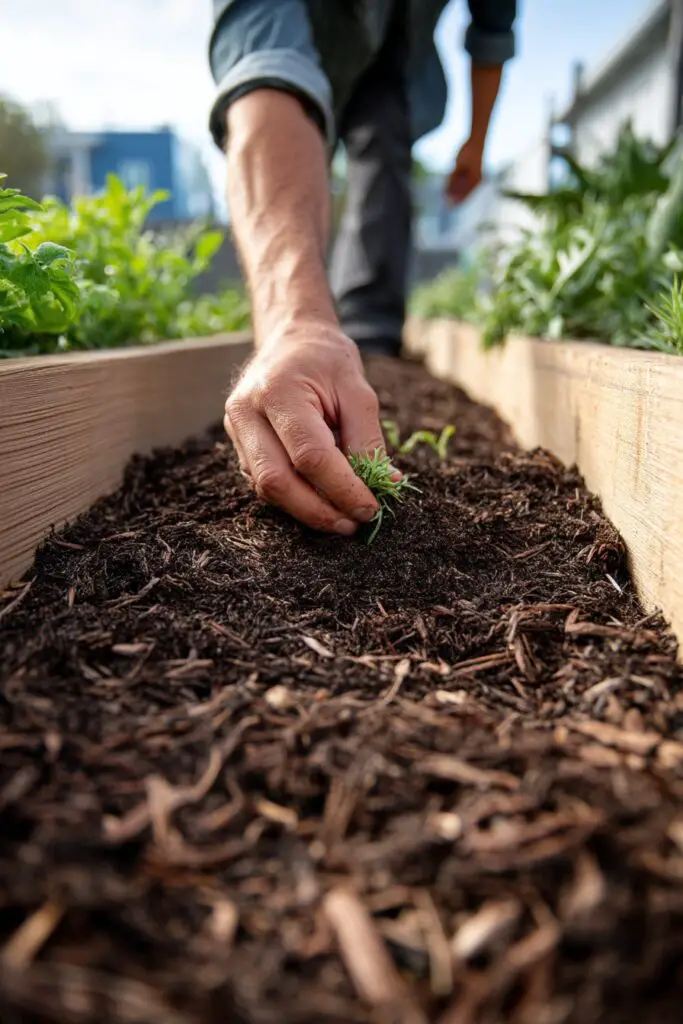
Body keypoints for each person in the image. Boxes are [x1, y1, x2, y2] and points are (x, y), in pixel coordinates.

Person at [208, 0, 517, 536]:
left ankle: (372, 339)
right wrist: (293, 321)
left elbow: (492, 27)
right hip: (315, 38)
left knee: (385, 150)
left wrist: (477, 140)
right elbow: (266, 67)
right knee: (300, 151)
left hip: (399, 60)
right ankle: (315, 340)